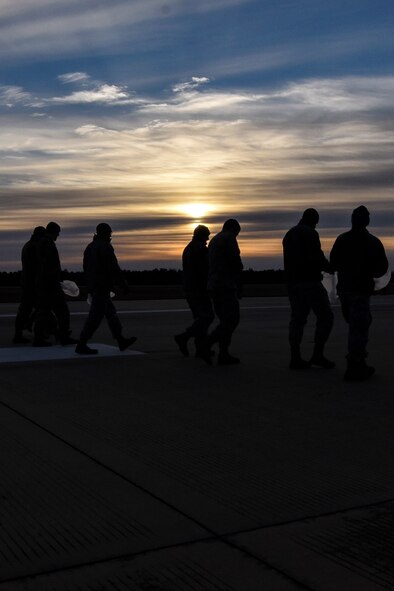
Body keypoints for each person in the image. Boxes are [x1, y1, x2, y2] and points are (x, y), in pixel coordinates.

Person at [330, 205, 388, 381]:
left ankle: (358, 363)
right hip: (360, 291)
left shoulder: (342, 239)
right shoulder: (372, 242)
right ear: (366, 220)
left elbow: (333, 264)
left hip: (345, 291)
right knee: (359, 328)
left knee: (356, 326)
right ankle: (355, 365)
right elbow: (381, 269)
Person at [282, 208, 335, 370]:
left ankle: (295, 357)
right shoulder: (310, 233)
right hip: (310, 282)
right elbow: (317, 257)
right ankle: (317, 354)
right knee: (326, 316)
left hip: (293, 283)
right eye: (316, 222)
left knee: (297, 319)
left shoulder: (289, 234)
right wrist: (331, 268)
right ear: (313, 220)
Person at [75, 223, 137, 355]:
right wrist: (123, 285)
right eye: (109, 233)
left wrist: (90, 285)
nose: (110, 236)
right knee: (95, 316)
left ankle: (120, 340)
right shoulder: (105, 247)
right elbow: (113, 267)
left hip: (95, 286)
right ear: (105, 233)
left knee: (111, 313)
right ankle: (82, 343)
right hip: (102, 287)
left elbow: (86, 268)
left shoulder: (90, 247)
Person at [174, 225, 214, 363]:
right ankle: (184, 337)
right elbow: (205, 270)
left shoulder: (189, 248)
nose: (208, 238)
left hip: (190, 287)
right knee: (207, 317)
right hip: (198, 289)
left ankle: (201, 349)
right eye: (207, 235)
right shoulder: (201, 249)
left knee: (200, 318)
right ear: (202, 235)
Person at [33, 222, 77, 347]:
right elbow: (49, 266)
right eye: (57, 233)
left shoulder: (42, 243)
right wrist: (56, 281)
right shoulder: (48, 244)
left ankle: (39, 338)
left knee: (43, 311)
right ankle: (63, 336)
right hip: (49, 284)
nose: (57, 236)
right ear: (53, 232)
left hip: (44, 283)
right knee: (62, 311)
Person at [207, 219, 243, 365]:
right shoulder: (228, 238)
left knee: (224, 320)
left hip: (214, 285)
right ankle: (207, 343)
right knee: (232, 319)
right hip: (225, 285)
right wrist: (239, 283)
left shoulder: (214, 240)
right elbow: (235, 262)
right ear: (233, 229)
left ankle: (223, 353)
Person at [13, 225, 46, 344]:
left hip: (28, 282)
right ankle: (24, 333)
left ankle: (23, 330)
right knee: (34, 308)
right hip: (32, 283)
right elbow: (37, 267)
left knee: (28, 308)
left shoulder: (28, 245)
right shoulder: (34, 247)